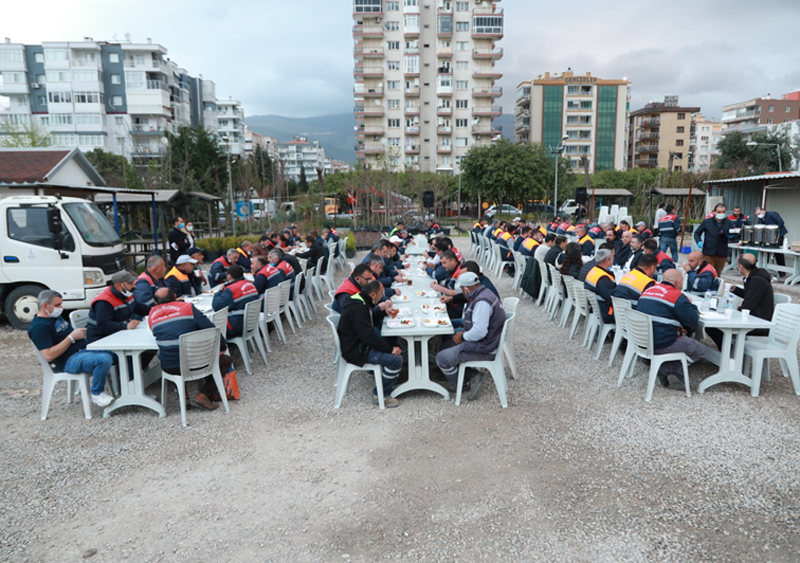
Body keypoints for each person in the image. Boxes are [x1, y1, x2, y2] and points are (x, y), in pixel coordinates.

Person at [28, 289, 115, 407]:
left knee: (116, 352)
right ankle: (97, 393)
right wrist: (71, 338)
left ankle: (124, 386)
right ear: (45, 306)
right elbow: (48, 355)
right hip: (68, 361)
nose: (61, 307)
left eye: (61, 303)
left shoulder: (54, 316)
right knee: (104, 359)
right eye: (57, 305)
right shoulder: (39, 327)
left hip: (82, 351)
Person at [148, 288, 232, 410]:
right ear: (175, 296)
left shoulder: (151, 316)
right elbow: (211, 329)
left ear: (155, 303)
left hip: (169, 367)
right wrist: (222, 347)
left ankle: (184, 396)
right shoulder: (188, 308)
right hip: (197, 363)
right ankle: (204, 395)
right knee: (225, 360)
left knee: (174, 354)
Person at [435, 272, 506, 400]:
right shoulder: (486, 292)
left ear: (466, 288)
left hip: (485, 347)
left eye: (462, 289)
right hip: (489, 340)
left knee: (441, 357)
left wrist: (462, 337)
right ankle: (470, 375)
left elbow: (479, 332)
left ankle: (464, 383)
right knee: (445, 344)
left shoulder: (482, 302)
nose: (462, 292)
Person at [637, 269, 706, 390]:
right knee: (700, 350)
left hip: (641, 339)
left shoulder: (648, 290)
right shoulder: (677, 296)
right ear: (678, 282)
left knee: (683, 336)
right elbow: (692, 320)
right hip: (662, 342)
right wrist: (691, 305)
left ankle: (668, 365)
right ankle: (666, 369)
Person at [337, 280, 403, 408]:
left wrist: (383, 312)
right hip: (357, 350)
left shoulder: (359, 300)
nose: (382, 295)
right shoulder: (358, 308)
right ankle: (379, 394)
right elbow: (369, 337)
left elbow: (369, 317)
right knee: (396, 360)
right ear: (373, 295)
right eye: (381, 292)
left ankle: (388, 378)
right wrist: (390, 349)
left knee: (392, 342)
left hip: (356, 344)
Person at [706, 253, 774, 351]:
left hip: (758, 323)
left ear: (740, 266)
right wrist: (736, 290)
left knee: (713, 327)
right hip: (755, 318)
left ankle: (729, 353)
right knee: (714, 326)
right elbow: (752, 295)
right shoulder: (755, 276)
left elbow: (749, 304)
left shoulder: (757, 280)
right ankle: (729, 351)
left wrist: (731, 313)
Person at [86, 271, 149, 343]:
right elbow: (103, 325)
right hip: (101, 339)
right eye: (130, 283)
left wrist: (154, 311)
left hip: (118, 335)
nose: (134, 286)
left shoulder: (125, 294)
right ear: (120, 285)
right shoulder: (103, 302)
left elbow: (137, 307)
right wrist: (126, 326)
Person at [212, 265, 259, 338]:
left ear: (229, 276)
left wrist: (219, 292)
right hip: (252, 321)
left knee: (209, 325)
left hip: (237, 326)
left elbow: (216, 306)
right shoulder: (251, 285)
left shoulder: (231, 290)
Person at [694, 203, 733, 277]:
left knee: (717, 274)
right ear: (715, 212)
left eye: (723, 212)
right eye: (719, 212)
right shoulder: (707, 222)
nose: (721, 214)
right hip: (708, 252)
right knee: (707, 273)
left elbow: (733, 234)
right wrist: (699, 241)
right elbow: (697, 233)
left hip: (722, 253)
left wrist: (731, 236)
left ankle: (716, 287)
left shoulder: (729, 223)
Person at [584, 249, 616, 323]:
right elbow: (612, 299)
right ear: (607, 262)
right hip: (605, 312)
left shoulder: (593, 270)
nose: (613, 260)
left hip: (595, 308)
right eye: (612, 258)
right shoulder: (603, 279)